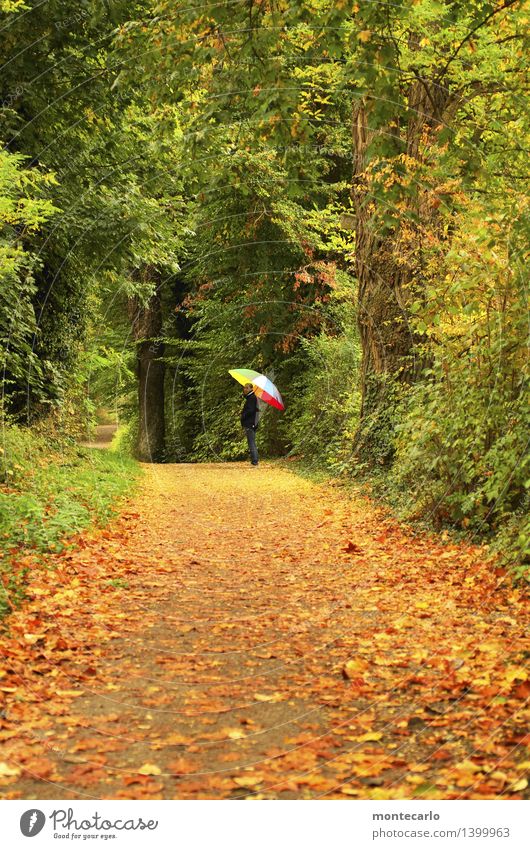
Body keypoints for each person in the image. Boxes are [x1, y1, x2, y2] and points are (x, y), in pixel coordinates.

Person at [240, 382, 259, 466]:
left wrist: (243, 415)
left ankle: (255, 461)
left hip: (250, 423)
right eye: (244, 388)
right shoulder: (250, 398)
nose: (245, 389)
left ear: (251, 389)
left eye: (246, 388)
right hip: (250, 422)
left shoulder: (252, 398)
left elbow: (251, 410)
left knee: (251, 442)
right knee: (251, 441)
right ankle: (254, 460)